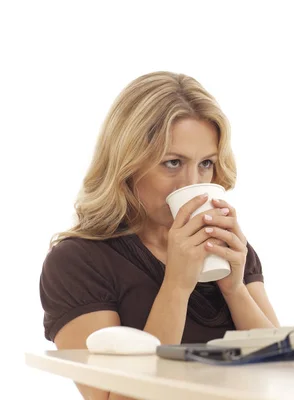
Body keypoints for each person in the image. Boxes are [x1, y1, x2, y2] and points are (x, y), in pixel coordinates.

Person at [39, 71, 280, 400]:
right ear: (128, 164)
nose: (190, 183)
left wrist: (234, 288)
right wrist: (177, 287)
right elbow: (117, 399)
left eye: (206, 163)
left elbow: (284, 374)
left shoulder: (228, 246)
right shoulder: (78, 263)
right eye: (172, 163)